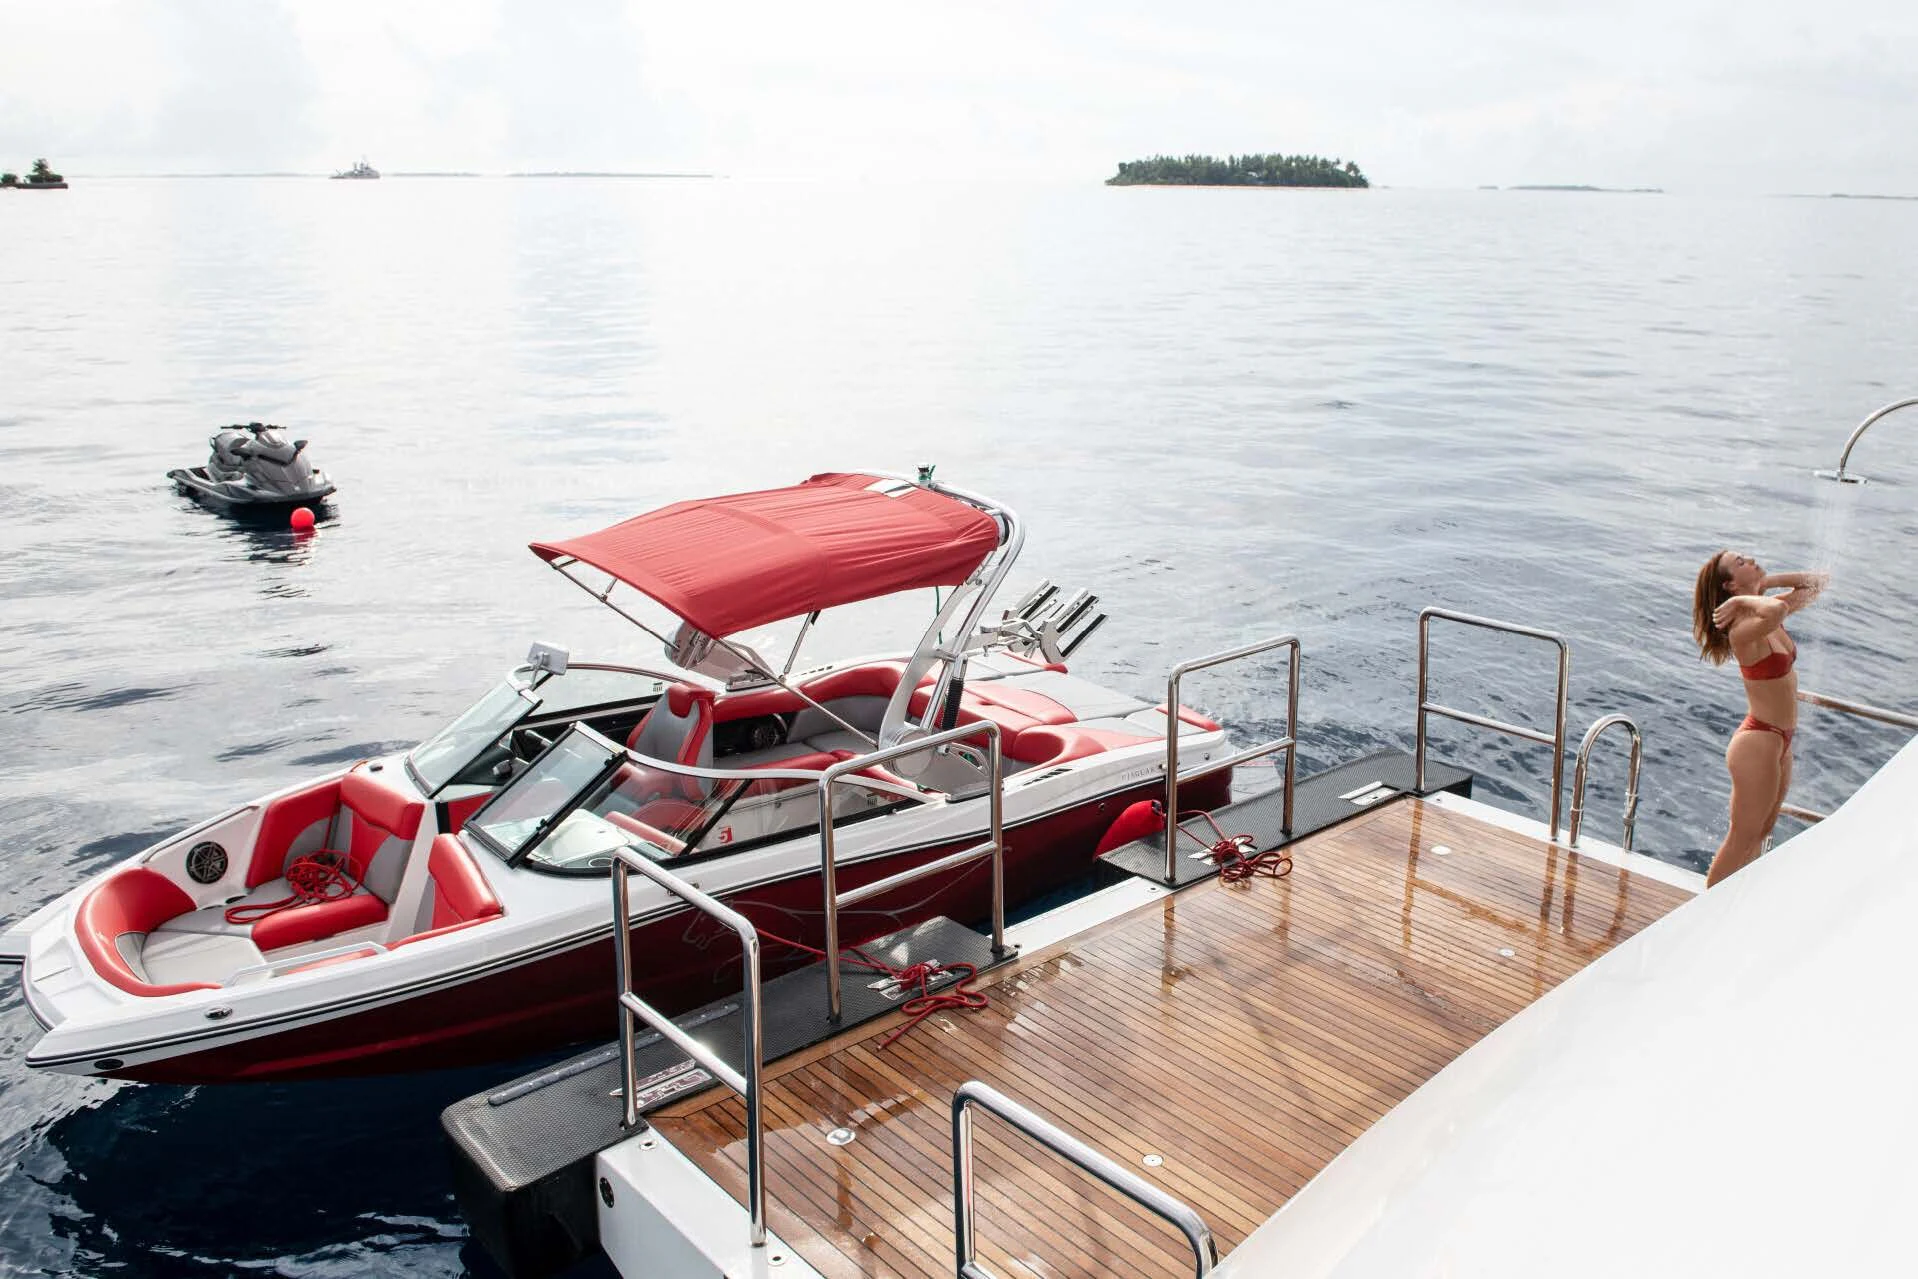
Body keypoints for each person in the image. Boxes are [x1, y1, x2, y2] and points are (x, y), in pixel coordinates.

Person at [1691, 550, 1827, 886]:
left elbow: (1817, 584)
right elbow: (1778, 607)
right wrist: (1743, 604)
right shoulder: (1743, 629)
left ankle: (1733, 906)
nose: (1751, 560)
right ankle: (1702, 918)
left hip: (1780, 740)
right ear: (1730, 584)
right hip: (1758, 742)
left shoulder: (1761, 614)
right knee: (1742, 839)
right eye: (1741, 563)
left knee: (1762, 832)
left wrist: (1766, 583)